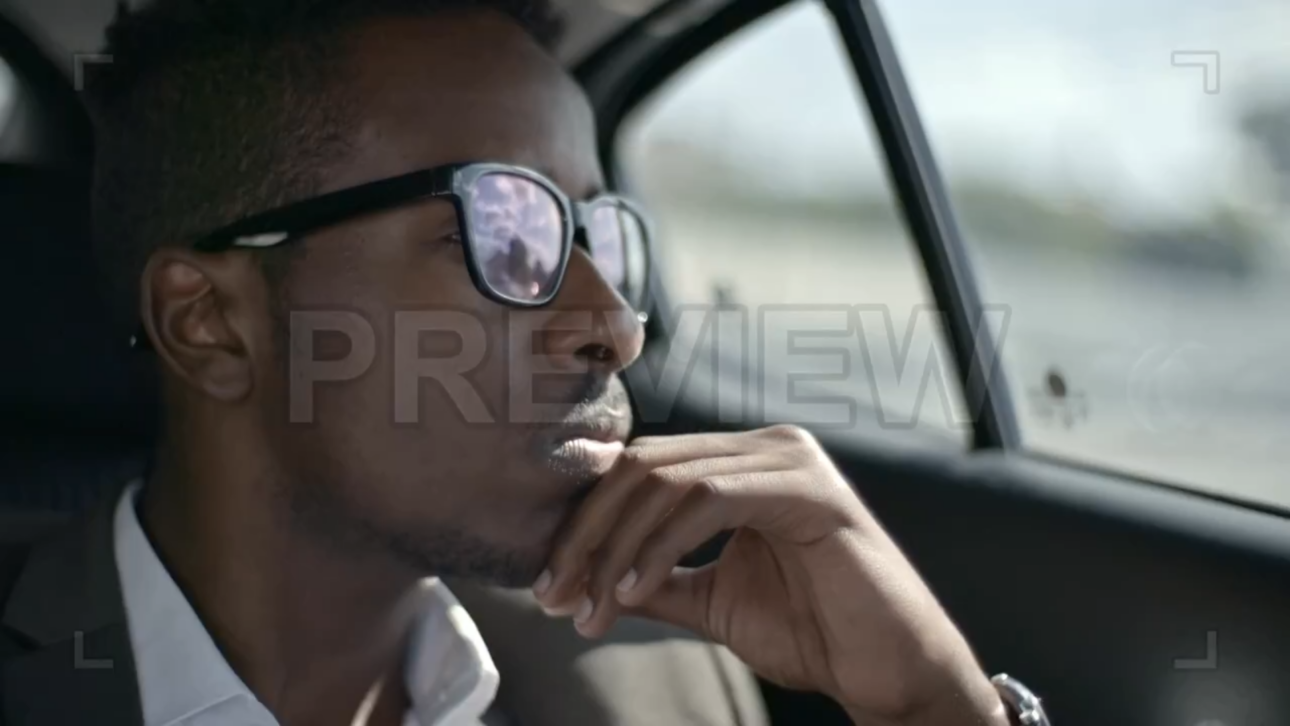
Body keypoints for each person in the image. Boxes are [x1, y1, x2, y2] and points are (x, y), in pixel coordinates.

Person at [0, 1, 1048, 725]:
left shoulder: (655, 682)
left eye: (602, 235)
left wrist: (928, 708)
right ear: (211, 323)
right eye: (508, 229)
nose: (617, 325)